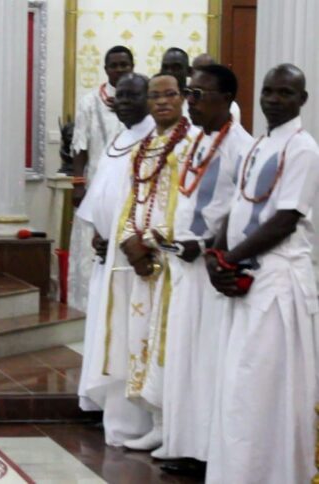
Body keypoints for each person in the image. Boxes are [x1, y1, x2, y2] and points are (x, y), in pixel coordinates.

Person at [205, 64, 319, 484]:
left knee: (262, 388)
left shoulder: (304, 149)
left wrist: (230, 259)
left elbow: (285, 220)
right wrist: (215, 254)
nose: (273, 99)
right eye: (268, 91)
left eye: (285, 93)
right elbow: (237, 205)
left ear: (302, 99)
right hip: (243, 278)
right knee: (238, 386)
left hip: (276, 283)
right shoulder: (259, 144)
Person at [154, 64, 253, 476]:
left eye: (199, 95)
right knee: (184, 358)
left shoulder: (242, 147)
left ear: (227, 99)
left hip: (213, 269)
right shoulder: (196, 141)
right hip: (185, 265)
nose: (189, 102)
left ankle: (210, 451)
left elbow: (246, 212)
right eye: (189, 93)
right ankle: (185, 443)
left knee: (209, 361)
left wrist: (213, 246)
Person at [104, 72, 199, 452]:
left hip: (173, 261)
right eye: (156, 96)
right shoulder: (144, 146)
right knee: (141, 339)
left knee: (169, 344)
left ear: (183, 98)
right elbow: (132, 200)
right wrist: (129, 242)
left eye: (170, 95)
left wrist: (157, 240)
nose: (162, 102)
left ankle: (173, 426)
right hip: (144, 261)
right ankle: (155, 422)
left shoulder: (191, 143)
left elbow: (187, 203)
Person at [76, 72, 155, 446]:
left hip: (131, 260)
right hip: (107, 255)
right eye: (119, 96)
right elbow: (103, 190)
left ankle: (131, 421)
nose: (122, 102)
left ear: (148, 98)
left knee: (127, 339)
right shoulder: (120, 137)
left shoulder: (155, 139)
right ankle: (104, 406)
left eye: (131, 96)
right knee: (105, 332)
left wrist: (119, 237)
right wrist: (98, 230)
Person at [68, 45, 134, 310]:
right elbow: (79, 146)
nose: (119, 69)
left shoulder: (141, 100)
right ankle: (86, 303)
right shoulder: (89, 101)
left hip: (131, 185)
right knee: (91, 244)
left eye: (124, 64)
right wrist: (78, 183)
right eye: (114, 65)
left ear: (132, 66)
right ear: (106, 69)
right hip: (97, 183)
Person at [191, 52, 242, 124]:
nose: (200, 75)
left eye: (207, 71)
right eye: (197, 70)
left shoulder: (232, 107)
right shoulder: (188, 100)